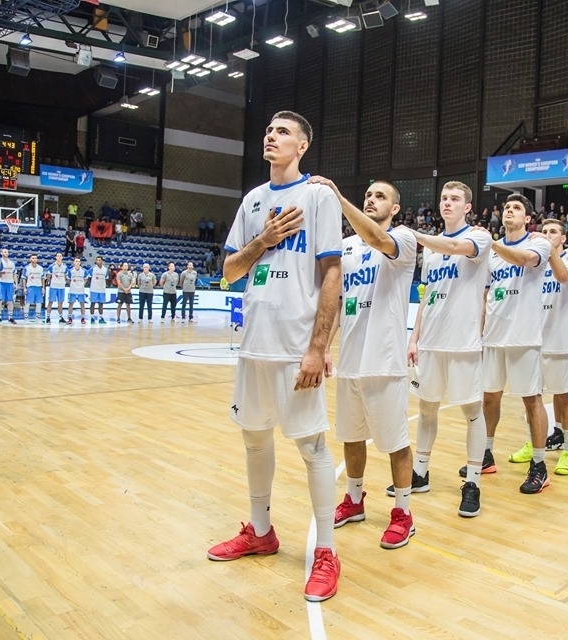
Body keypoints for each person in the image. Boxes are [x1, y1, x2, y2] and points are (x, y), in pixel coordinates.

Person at [209, 111, 343, 603]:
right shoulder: (252, 201)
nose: (272, 136)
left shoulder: (318, 196)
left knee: (312, 447)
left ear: (302, 146)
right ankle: (261, 531)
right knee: (254, 441)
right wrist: (263, 241)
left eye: (283, 131)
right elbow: (228, 271)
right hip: (255, 346)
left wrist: (317, 347)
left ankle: (326, 550)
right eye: (269, 130)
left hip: (295, 349)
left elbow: (332, 274)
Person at [309, 176, 418, 548]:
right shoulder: (345, 247)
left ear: (396, 207)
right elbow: (338, 302)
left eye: (380, 196)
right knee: (351, 438)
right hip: (351, 361)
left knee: (395, 443)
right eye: (368, 194)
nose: (372, 199)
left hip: (385, 362)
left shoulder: (404, 238)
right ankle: (354, 501)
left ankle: (403, 512)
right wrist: (324, 346)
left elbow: (375, 238)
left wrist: (339, 197)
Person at [403, 181, 492, 516]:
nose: (448, 203)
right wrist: (414, 338)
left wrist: (416, 235)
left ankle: (472, 483)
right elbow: (427, 296)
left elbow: (457, 247)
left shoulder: (479, 237)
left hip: (463, 343)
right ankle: (421, 472)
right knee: (426, 410)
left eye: (455, 199)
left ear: (468, 207)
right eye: (443, 198)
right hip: (431, 343)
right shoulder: (432, 250)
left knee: (471, 412)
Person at [469, 194, 553, 492]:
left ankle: (540, 465)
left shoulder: (538, 243)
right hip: (494, 337)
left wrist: (491, 243)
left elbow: (524, 260)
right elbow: (485, 295)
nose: (509, 211)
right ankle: (487, 453)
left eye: (516, 208)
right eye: (506, 207)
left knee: (532, 400)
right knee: (489, 398)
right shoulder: (492, 254)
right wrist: (478, 335)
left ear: (527, 218)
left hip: (524, 336)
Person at [517, 219, 568, 477]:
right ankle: (534, 445)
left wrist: (549, 249)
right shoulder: (533, 262)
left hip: (559, 340)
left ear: (563, 238)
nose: (546, 235)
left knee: (564, 396)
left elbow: (564, 277)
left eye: (553, 232)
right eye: (543, 232)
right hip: (531, 338)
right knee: (531, 398)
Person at [46, 253, 68, 324]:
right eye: (58, 256)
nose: (59, 257)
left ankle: (61, 317)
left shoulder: (65, 266)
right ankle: (48, 317)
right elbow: (48, 277)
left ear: (62, 257)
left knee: (60, 303)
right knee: (50, 302)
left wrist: (63, 282)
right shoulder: (51, 266)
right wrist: (50, 283)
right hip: (53, 286)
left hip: (61, 287)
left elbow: (65, 276)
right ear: (56, 257)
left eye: (60, 256)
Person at [66, 257, 88, 324]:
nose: (77, 262)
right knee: (71, 304)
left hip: (81, 291)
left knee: (82, 305)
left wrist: (82, 284)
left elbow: (86, 279)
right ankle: (70, 318)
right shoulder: (70, 271)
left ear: (80, 263)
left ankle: (83, 318)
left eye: (78, 261)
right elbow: (68, 279)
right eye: (76, 261)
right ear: (73, 262)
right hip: (72, 290)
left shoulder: (84, 271)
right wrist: (72, 284)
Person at [0, 248, 17, 324]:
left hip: (10, 283)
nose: (6, 253)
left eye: (7, 252)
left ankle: (10, 317)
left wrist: (15, 283)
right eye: (4, 252)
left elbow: (14, 274)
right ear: (1, 253)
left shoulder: (12, 263)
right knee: (0, 301)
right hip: (1, 283)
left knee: (10, 301)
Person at [89, 256, 108, 325]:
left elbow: (107, 277)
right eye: (97, 260)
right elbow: (88, 276)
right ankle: (92, 318)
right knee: (92, 304)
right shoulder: (92, 269)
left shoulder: (105, 269)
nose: (98, 261)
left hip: (102, 290)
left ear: (102, 261)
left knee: (101, 304)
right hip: (94, 289)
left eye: (99, 260)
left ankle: (101, 318)